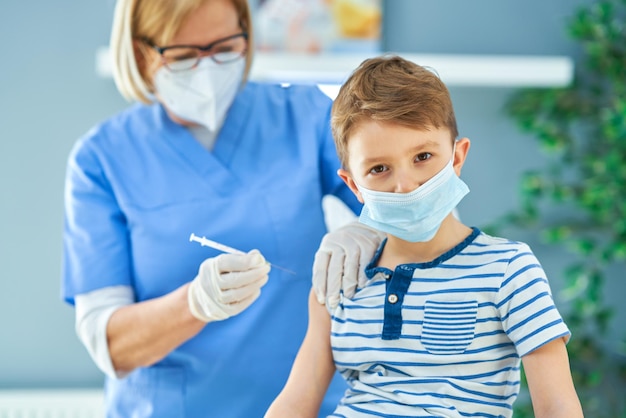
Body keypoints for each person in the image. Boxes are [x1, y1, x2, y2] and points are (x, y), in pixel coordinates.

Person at [61, 0, 385, 416]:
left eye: (225, 47)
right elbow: (112, 346)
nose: (208, 69)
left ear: (246, 34)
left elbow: (402, 205)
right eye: (183, 55)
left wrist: (371, 226)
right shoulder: (103, 158)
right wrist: (194, 304)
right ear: (142, 54)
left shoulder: (304, 117)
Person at [265, 55, 584, 418]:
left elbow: (558, 408)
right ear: (353, 185)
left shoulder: (509, 269)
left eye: (423, 156)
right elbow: (294, 404)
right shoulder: (340, 280)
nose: (405, 185)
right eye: (379, 169)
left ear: (457, 157)